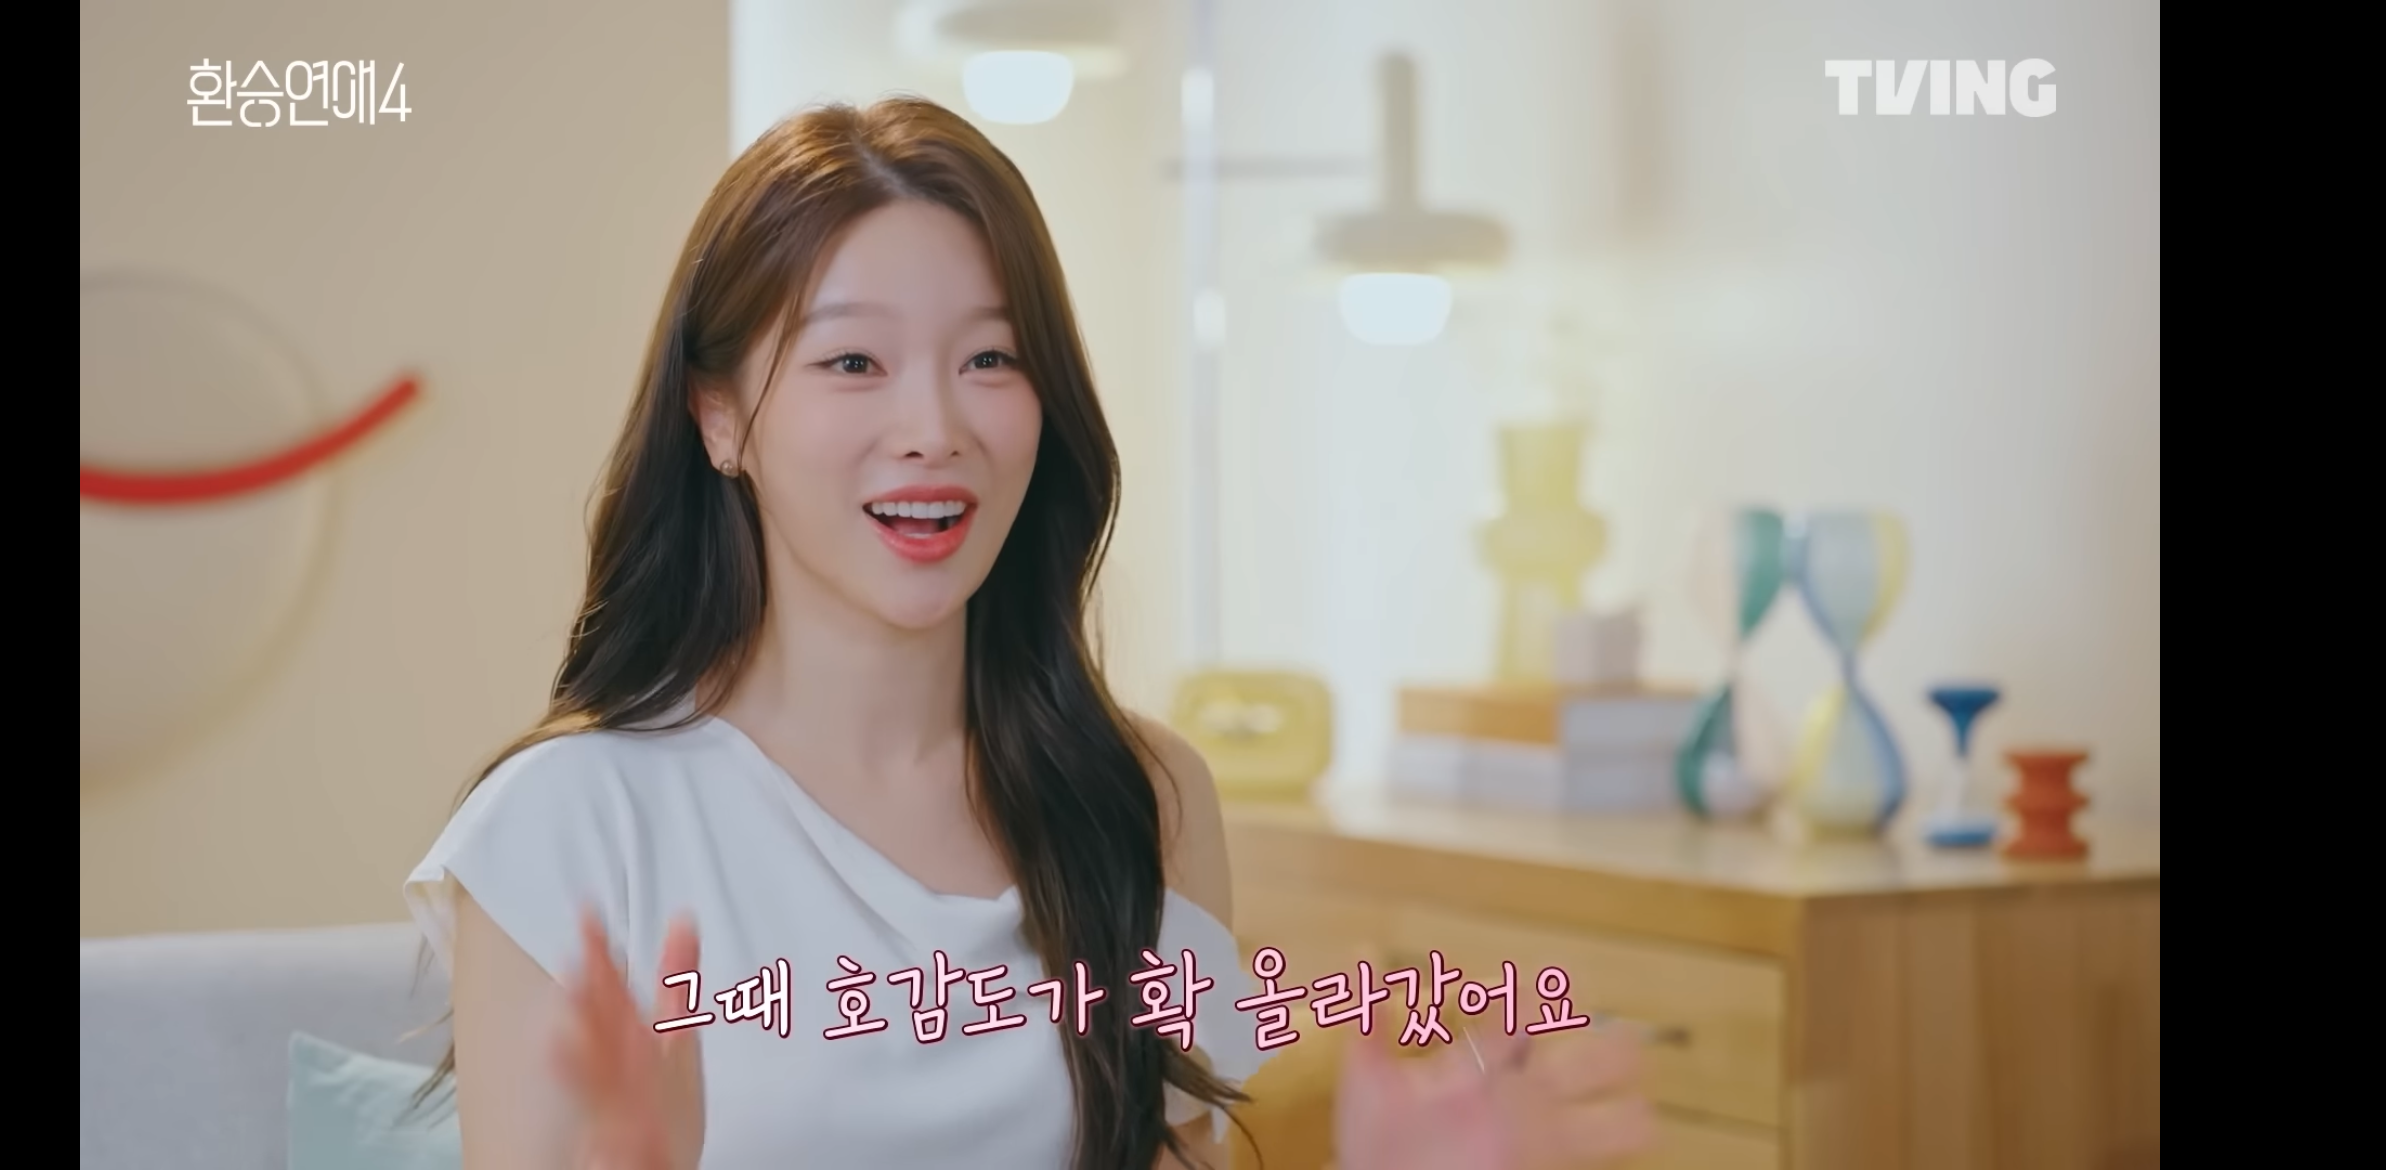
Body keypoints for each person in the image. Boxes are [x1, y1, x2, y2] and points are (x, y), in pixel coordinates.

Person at [402, 95, 1653, 1170]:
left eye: (991, 359)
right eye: (853, 363)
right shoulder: (566, 828)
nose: (933, 428)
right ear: (719, 417)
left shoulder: (1143, 798)